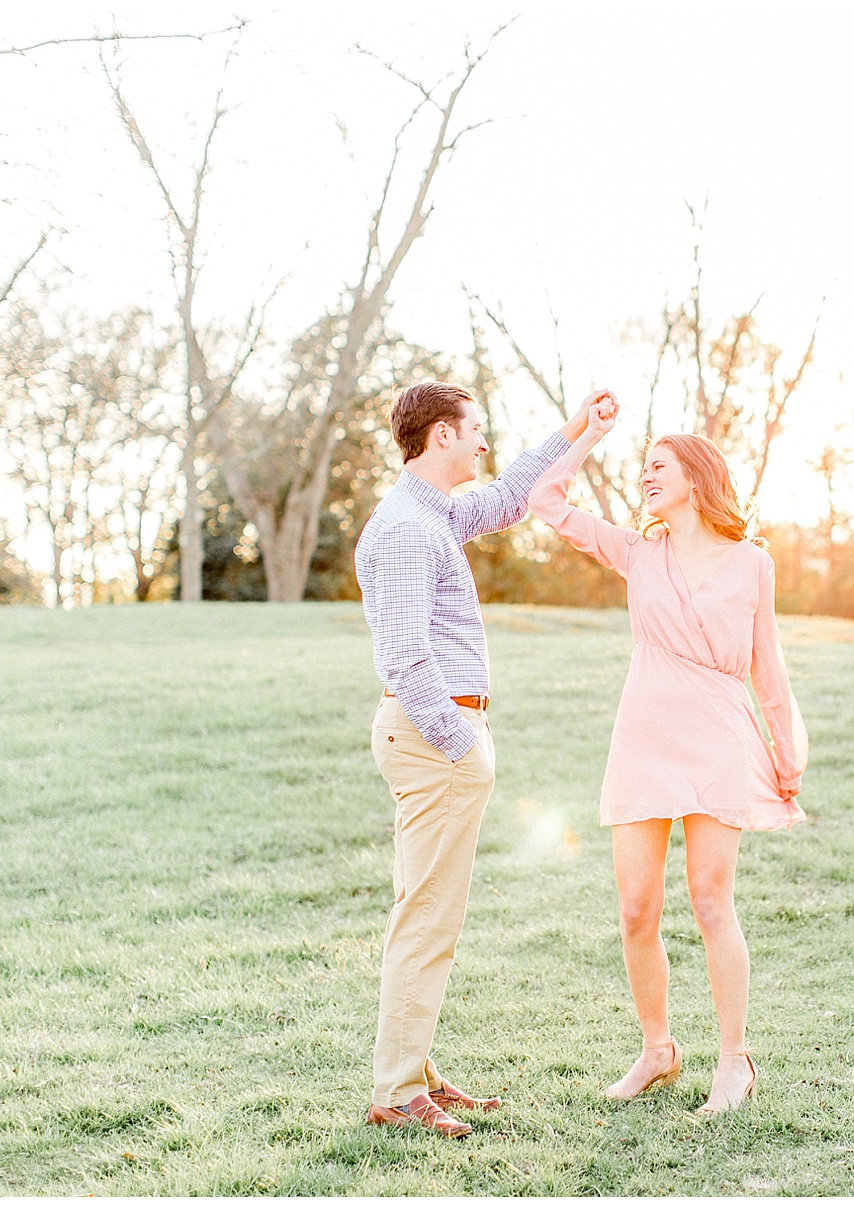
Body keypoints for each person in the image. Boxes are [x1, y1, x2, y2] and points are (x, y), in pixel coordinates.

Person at [528, 399, 807, 1116]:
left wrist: (788, 750)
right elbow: (546, 500)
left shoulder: (752, 564)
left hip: (720, 738)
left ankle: (734, 1060)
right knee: (634, 907)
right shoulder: (636, 551)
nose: (646, 476)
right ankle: (657, 1050)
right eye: (644, 466)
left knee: (712, 900)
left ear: (696, 476)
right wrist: (589, 435)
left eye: (659, 466)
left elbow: (768, 666)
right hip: (644, 738)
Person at [354, 380, 615, 1138]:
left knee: (428, 912)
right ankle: (399, 1090)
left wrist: (580, 432)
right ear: (439, 436)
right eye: (474, 430)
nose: (483, 443)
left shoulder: (430, 512)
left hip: (439, 742)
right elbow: (405, 655)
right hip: (436, 741)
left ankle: (416, 1069)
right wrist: (463, 743)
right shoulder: (407, 528)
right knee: (427, 918)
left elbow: (507, 497)